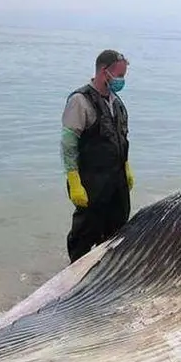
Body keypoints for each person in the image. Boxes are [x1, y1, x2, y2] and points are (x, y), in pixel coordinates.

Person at [60, 49, 134, 263]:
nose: (122, 80)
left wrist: (127, 168)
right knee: (85, 233)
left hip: (116, 180)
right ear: (104, 71)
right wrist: (74, 180)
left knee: (117, 233)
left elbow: (122, 138)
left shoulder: (117, 103)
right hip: (92, 180)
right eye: (119, 75)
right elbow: (68, 143)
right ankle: (75, 280)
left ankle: (107, 276)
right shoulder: (80, 101)